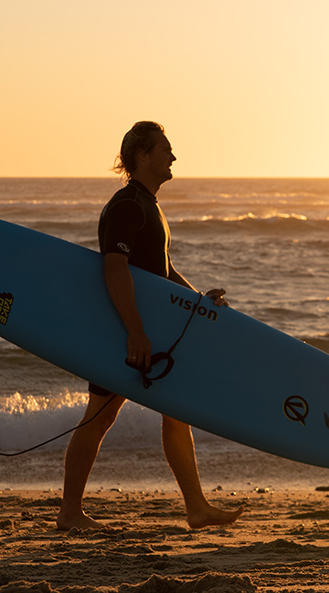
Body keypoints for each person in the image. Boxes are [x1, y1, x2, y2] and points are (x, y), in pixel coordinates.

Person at [57, 121, 244, 530]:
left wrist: (197, 302)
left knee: (175, 412)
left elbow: (162, 271)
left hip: (138, 333)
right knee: (99, 417)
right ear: (142, 156)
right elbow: (114, 267)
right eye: (165, 149)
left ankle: (196, 507)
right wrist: (135, 331)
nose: (173, 156)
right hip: (122, 335)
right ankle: (70, 513)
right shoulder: (127, 205)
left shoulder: (147, 205)